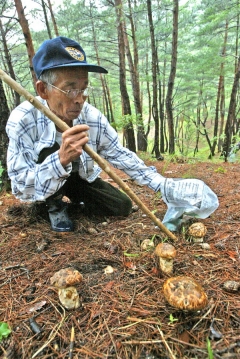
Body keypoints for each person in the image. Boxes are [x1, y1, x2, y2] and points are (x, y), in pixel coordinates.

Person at [6, 36, 218, 232]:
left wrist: (161, 184)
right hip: (43, 179)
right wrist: (60, 160)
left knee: (121, 205)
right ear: (43, 90)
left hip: (78, 178)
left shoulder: (91, 117)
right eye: (70, 89)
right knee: (49, 150)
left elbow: (119, 153)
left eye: (84, 89)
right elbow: (21, 186)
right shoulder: (23, 120)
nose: (79, 99)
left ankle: (75, 201)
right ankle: (53, 203)